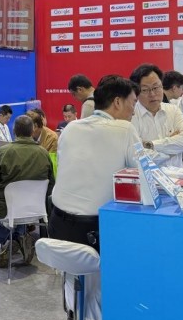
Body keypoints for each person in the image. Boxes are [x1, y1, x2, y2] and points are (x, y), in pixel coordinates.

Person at [50, 75, 141, 252]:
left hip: (58, 227)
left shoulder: (70, 128)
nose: (134, 111)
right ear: (117, 102)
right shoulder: (125, 129)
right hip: (96, 230)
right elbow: (143, 176)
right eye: (133, 103)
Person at [0, 115, 54, 268]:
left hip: (7, 207)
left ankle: (12, 239)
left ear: (14, 131)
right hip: (35, 209)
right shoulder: (44, 153)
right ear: (32, 130)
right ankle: (20, 238)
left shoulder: (4, 152)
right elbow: (51, 184)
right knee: (19, 215)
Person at [130, 64, 183, 168]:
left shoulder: (173, 110)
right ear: (136, 92)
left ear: (162, 86)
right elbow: (136, 155)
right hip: (148, 177)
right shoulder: (131, 115)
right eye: (145, 90)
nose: (152, 94)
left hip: (177, 176)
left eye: (156, 87)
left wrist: (150, 144)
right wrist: (170, 152)